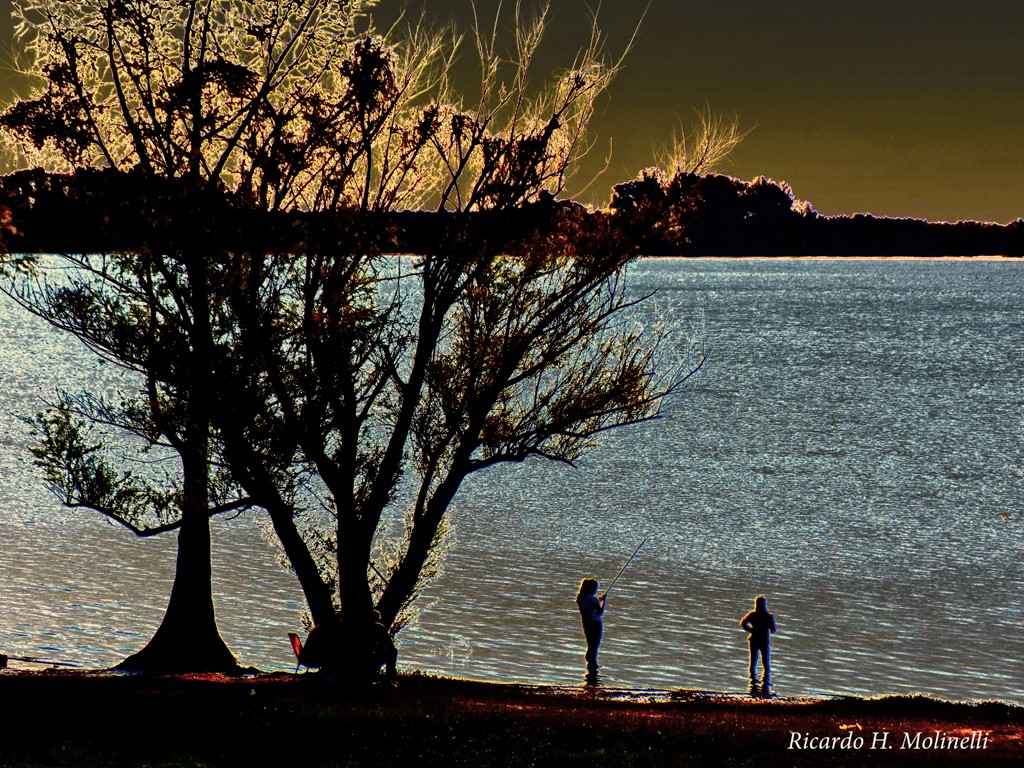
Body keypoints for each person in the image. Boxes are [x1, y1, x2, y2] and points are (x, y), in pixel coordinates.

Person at [739, 595, 777, 689]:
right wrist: (769, 626)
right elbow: (773, 630)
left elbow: (743, 623)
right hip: (764, 641)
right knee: (765, 663)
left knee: (753, 661)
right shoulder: (768, 616)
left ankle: (753, 682)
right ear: (764, 605)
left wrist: (751, 630)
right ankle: (765, 683)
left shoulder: (753, 615)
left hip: (754, 640)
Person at [576, 578, 607, 673]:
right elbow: (600, 612)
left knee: (590, 643)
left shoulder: (580, 599)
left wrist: (599, 600)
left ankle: (590, 665)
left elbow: (590, 606)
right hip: (595, 624)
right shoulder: (592, 600)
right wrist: (604, 601)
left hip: (586, 623)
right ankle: (592, 665)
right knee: (595, 644)